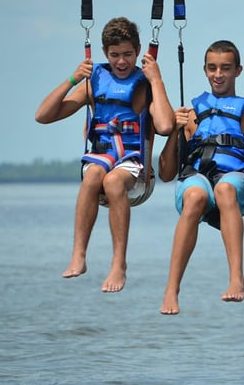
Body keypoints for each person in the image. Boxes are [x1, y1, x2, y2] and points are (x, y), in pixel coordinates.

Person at [35, 17, 175, 292]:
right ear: (104, 53)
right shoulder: (94, 81)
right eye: (114, 56)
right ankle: (79, 254)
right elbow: (43, 115)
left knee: (111, 182)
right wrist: (73, 78)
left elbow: (166, 125)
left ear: (137, 51)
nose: (121, 62)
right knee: (94, 177)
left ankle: (118, 263)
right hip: (100, 156)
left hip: (131, 160)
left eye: (127, 55)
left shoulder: (144, 84)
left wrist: (156, 80)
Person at [158, 40, 244, 315]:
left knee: (224, 190)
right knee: (196, 195)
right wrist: (175, 133)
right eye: (212, 68)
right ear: (204, 69)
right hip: (196, 179)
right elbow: (165, 174)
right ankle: (171, 288)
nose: (218, 74)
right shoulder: (189, 115)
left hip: (234, 182)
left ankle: (237, 277)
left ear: (238, 70)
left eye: (225, 68)